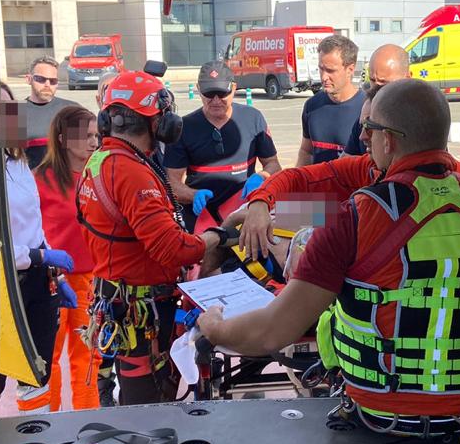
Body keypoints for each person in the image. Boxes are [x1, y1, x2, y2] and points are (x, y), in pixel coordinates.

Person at [199, 80, 460, 444]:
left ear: (390, 140)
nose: (363, 136)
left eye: (371, 129)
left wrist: (215, 328)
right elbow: (306, 187)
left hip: (382, 414)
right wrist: (265, 205)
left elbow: (270, 333)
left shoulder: (354, 218)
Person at [77, 70, 227, 405]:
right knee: (147, 406)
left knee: (141, 396)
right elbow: (172, 248)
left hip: (123, 299)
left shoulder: (102, 160)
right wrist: (217, 236)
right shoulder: (130, 171)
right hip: (141, 310)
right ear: (155, 120)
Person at [239, 82, 460, 260]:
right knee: (260, 215)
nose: (362, 137)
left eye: (370, 128)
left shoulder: (366, 208)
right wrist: (259, 202)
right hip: (340, 213)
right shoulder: (369, 167)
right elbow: (299, 176)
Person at [0, 82, 77, 414]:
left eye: (7, 107)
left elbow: (33, 224)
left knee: (37, 366)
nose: (5, 115)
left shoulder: (16, 162)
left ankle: (34, 441)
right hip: (4, 284)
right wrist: (38, 256)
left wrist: (55, 274)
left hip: (36, 279)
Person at [34, 105, 102, 410]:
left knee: (88, 355)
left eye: (96, 135)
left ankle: (87, 424)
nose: (93, 142)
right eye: (86, 135)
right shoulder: (39, 180)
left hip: (92, 280)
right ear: (62, 139)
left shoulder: (100, 175)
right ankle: (52, 423)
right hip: (53, 279)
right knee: (49, 355)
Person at [165, 61, 281, 233]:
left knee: (319, 214)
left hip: (246, 206)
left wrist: (261, 177)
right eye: (209, 94)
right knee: (204, 254)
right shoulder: (184, 127)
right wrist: (193, 195)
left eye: (222, 93)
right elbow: (171, 184)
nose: (216, 100)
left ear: (234, 88)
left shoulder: (253, 118)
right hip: (202, 214)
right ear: (198, 89)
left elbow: (273, 164)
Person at [296, 35, 365, 166]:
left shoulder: (367, 109)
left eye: (330, 70)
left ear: (350, 69)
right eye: (321, 69)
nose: (323, 77)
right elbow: (306, 151)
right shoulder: (312, 106)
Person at [342, 44, 410, 156]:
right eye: (373, 80)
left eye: (384, 83)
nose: (376, 88)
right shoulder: (366, 114)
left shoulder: (419, 120)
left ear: (407, 78)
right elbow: (345, 164)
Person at [23, 55, 80, 169]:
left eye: (53, 81)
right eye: (40, 79)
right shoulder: (12, 113)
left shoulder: (73, 110)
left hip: (65, 182)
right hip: (29, 184)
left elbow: (80, 154)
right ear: (28, 79)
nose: (47, 85)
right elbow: (7, 162)